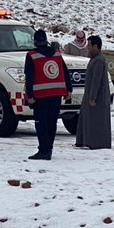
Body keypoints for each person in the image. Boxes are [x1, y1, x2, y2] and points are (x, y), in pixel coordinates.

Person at [24, 29, 73, 160]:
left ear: (35, 41)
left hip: (40, 96)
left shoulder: (31, 55)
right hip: (57, 94)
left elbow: (29, 77)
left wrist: (29, 96)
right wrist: (69, 89)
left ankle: (43, 150)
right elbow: (65, 71)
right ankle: (49, 149)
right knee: (52, 123)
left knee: (41, 123)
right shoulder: (56, 53)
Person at [76, 35, 112, 149]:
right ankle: (85, 140)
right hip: (90, 96)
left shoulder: (98, 61)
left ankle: (97, 143)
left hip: (97, 98)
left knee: (96, 121)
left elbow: (96, 81)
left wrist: (92, 98)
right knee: (88, 119)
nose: (87, 47)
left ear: (96, 46)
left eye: (89, 45)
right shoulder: (95, 59)